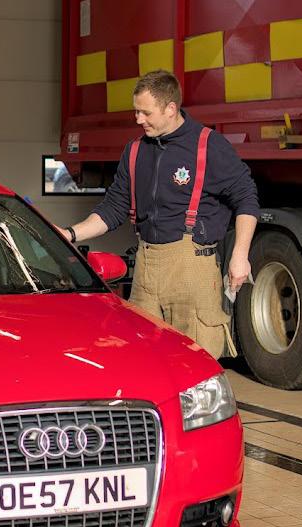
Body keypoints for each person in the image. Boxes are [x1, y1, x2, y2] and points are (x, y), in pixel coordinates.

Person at [59, 70, 259, 358]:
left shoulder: (208, 146)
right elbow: (113, 208)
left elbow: (246, 198)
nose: (138, 119)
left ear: (170, 108)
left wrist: (240, 255)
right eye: (136, 111)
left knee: (194, 362)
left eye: (146, 113)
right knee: (144, 360)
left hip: (192, 271)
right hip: (146, 269)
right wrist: (70, 234)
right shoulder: (135, 151)